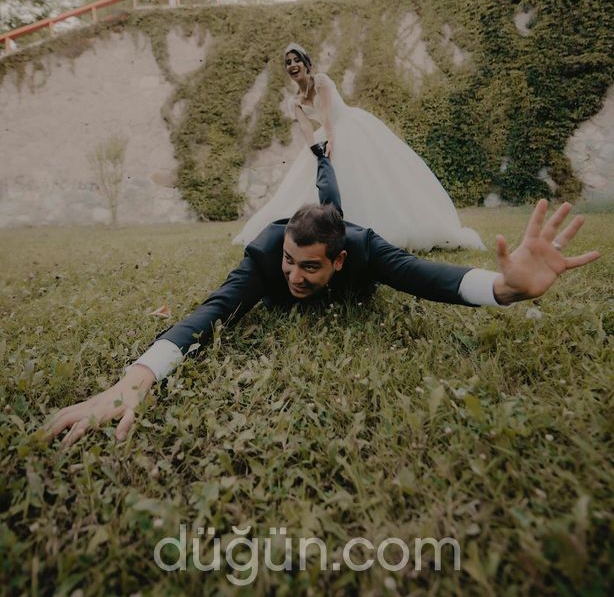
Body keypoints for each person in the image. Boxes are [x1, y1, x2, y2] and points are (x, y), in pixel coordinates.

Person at [46, 155, 599, 448]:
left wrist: (507, 290)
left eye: (309, 266)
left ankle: (326, 168)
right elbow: (208, 315)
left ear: (337, 262)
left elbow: (433, 279)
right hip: (296, 231)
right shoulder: (267, 255)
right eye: (291, 261)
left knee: (335, 203)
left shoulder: (364, 249)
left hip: (347, 228)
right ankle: (321, 163)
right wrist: (133, 382)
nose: (293, 275)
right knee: (315, 206)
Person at [233, 42, 485, 251]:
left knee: (368, 177)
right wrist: (316, 150)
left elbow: (327, 115)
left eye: (296, 59)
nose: (292, 65)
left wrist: (331, 140)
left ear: (306, 62)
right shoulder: (295, 101)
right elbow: (307, 128)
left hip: (349, 127)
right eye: (288, 62)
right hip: (325, 134)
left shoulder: (321, 81)